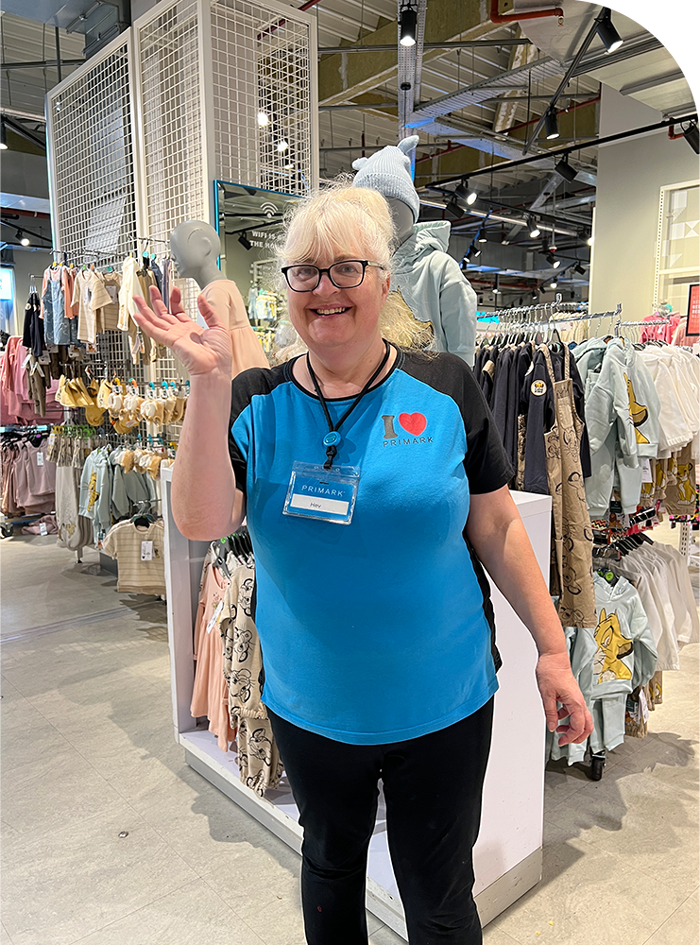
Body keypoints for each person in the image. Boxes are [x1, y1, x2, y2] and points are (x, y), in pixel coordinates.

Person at [132, 183, 593, 945]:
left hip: (444, 703)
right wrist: (208, 385)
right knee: (331, 869)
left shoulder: (447, 386)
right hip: (314, 708)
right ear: (285, 290)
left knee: (438, 896)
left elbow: (500, 528)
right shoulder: (255, 397)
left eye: (348, 268)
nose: (327, 289)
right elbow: (203, 519)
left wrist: (551, 650)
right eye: (305, 272)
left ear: (384, 280)